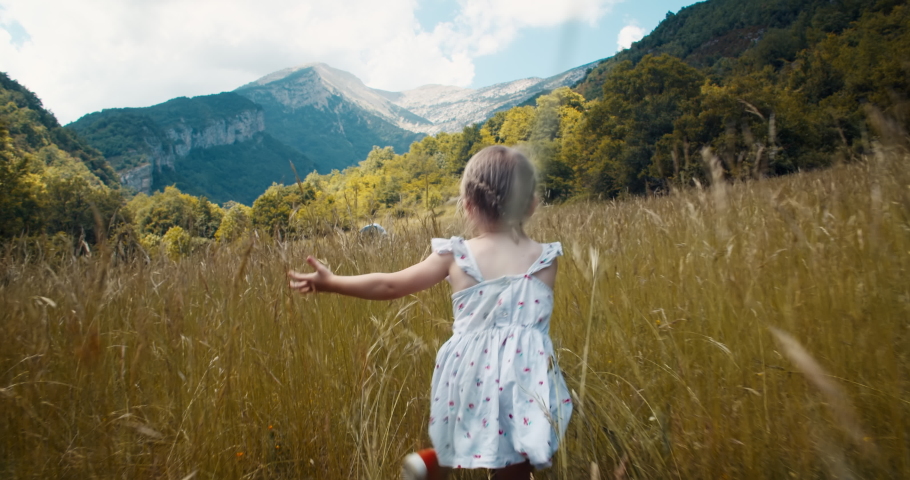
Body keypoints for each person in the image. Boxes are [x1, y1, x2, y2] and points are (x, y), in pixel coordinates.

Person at [288, 145, 573, 480]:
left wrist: (334, 282)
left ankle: (437, 461)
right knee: (517, 454)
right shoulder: (545, 259)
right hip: (525, 373)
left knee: (476, 428)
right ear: (531, 203)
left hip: (469, 370)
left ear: (468, 205)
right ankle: (440, 461)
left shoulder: (456, 255)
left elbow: (390, 286)